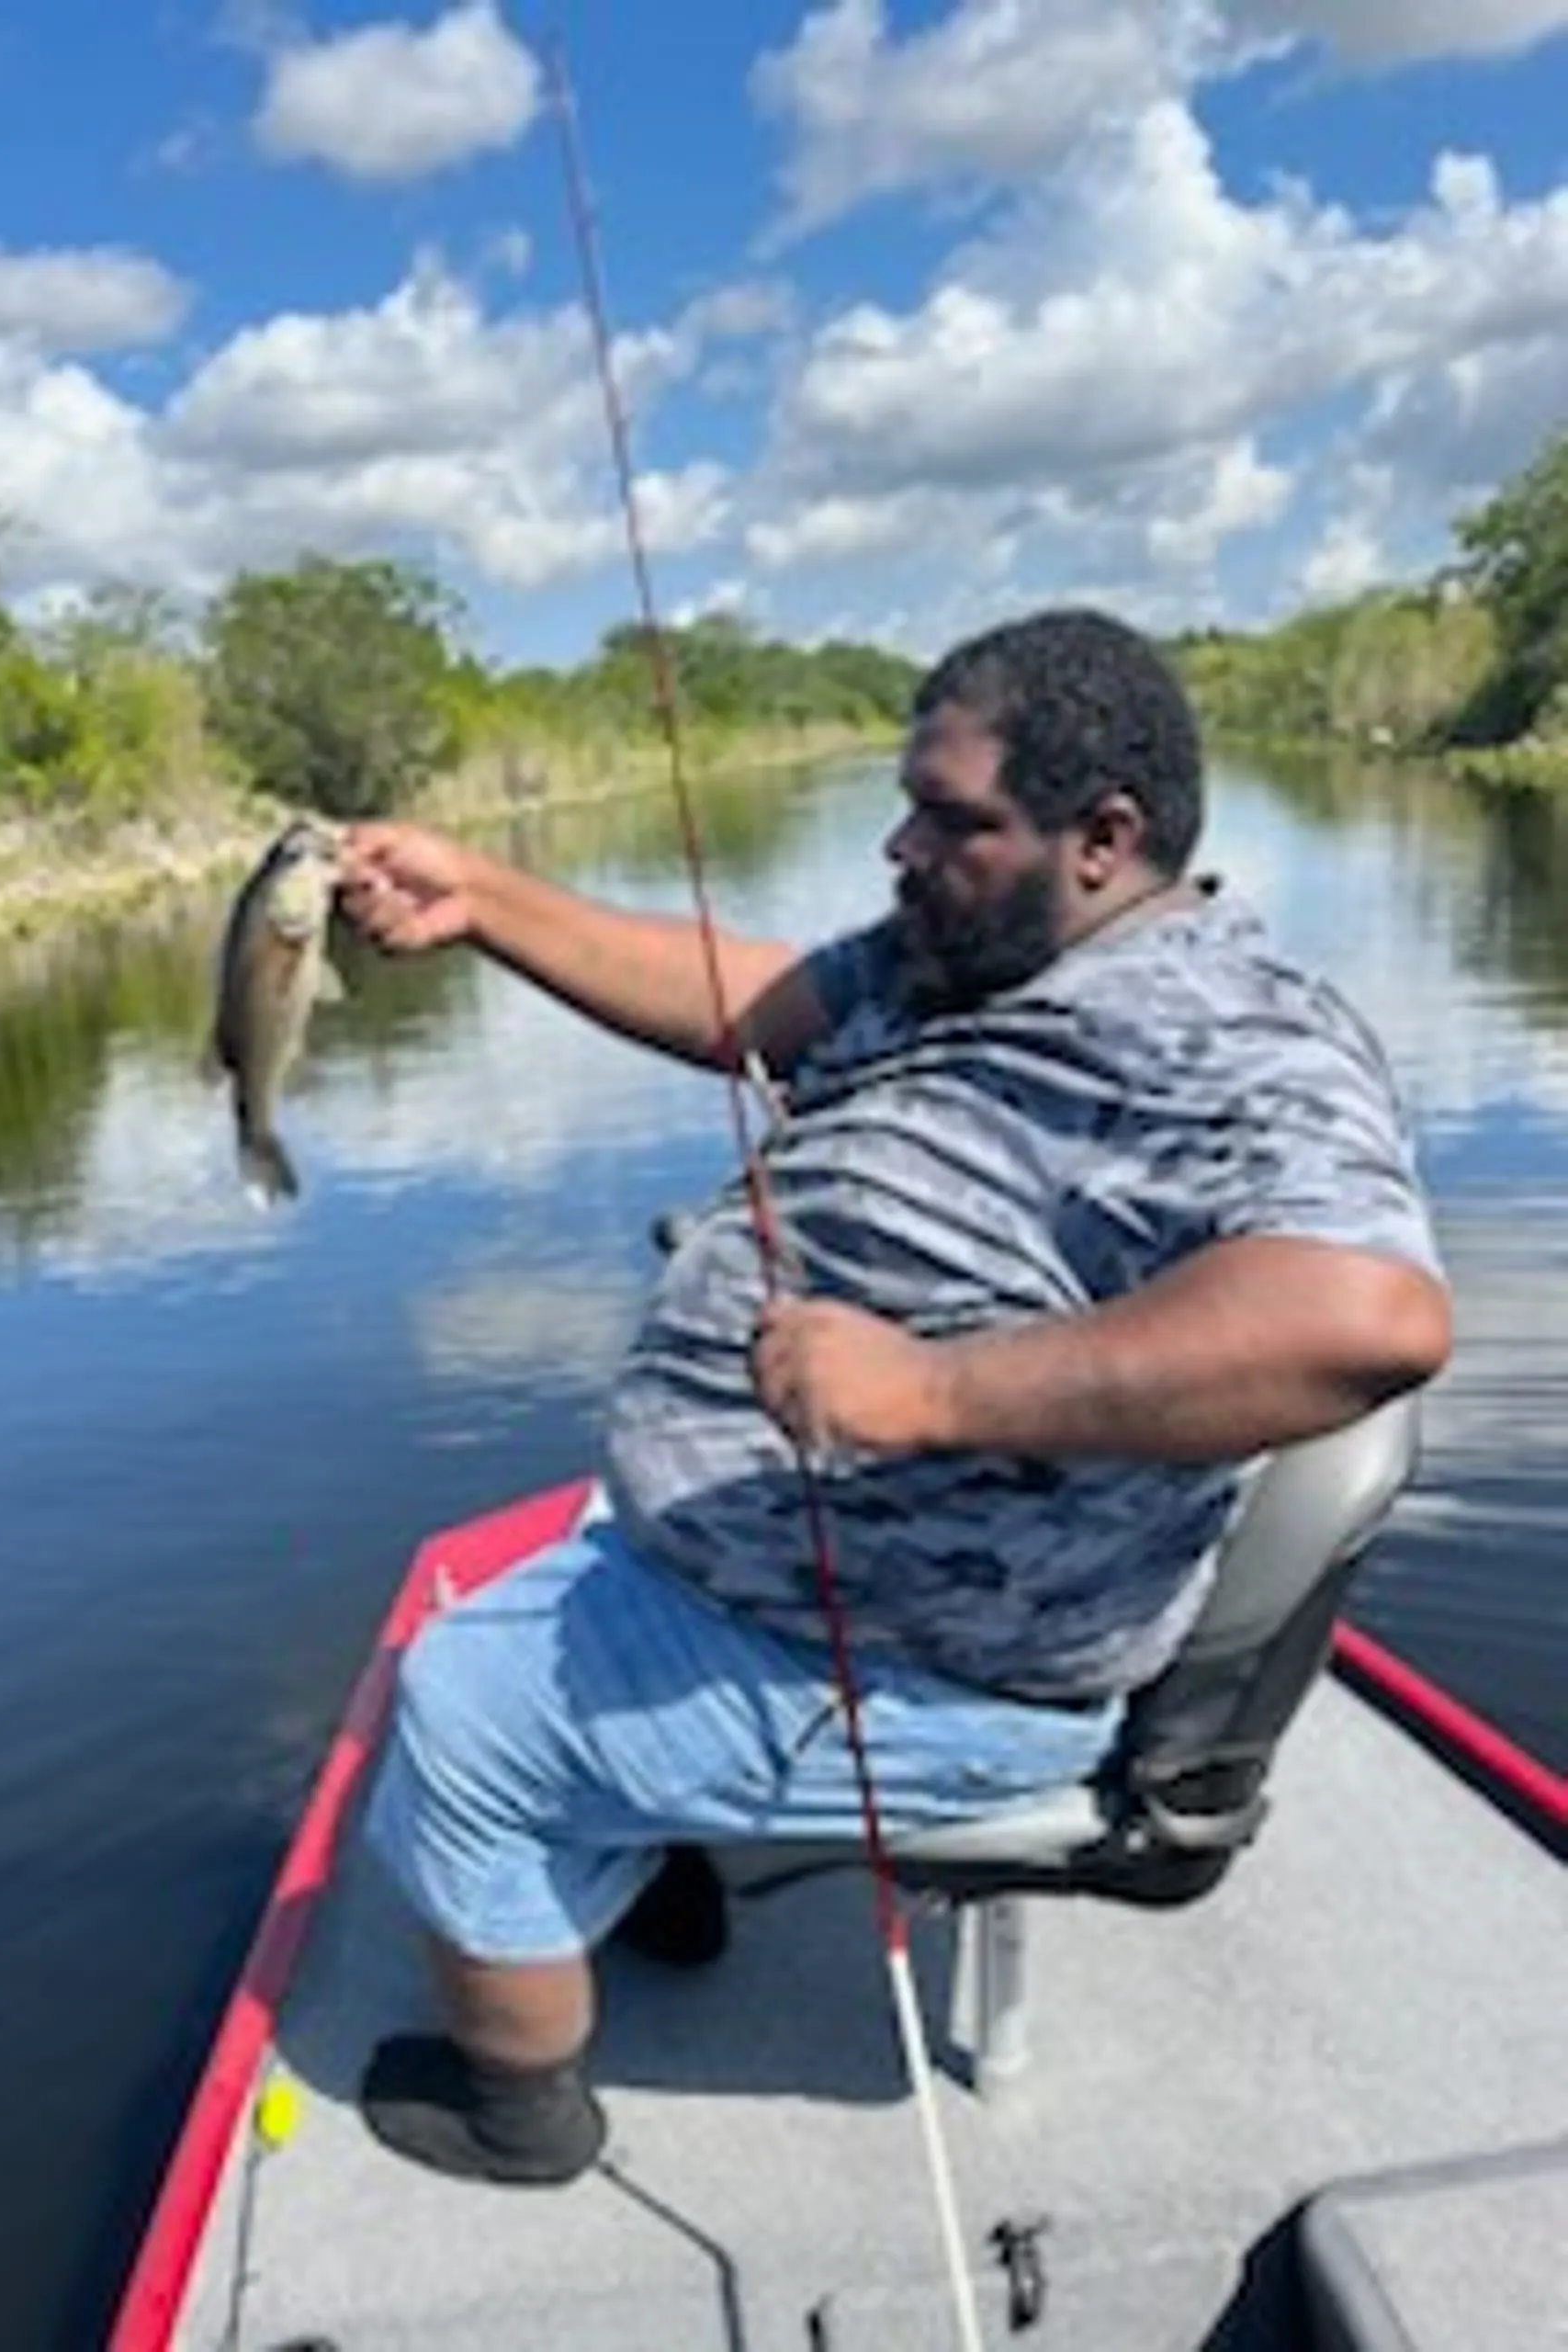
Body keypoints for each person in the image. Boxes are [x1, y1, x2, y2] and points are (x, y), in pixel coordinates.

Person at [333, 606, 1452, 2188]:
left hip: (948, 1659)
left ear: (1104, 837)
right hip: (773, 1554)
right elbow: (759, 1003)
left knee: (459, 1715)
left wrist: (931, 1389)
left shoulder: (1236, 1036)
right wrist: (490, 900)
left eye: (953, 819)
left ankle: (517, 2103)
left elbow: (1369, 1314)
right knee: (576, 1578)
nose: (899, 846)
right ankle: (645, 1851)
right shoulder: (970, 952)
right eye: (909, 804)